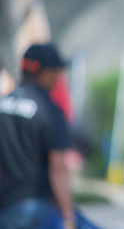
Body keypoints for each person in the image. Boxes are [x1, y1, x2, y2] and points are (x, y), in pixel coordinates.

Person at [0, 44, 76, 229]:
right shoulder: (50, 110)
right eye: (57, 71)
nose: (59, 77)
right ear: (46, 72)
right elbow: (57, 166)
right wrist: (68, 216)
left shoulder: (2, 105)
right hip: (35, 205)